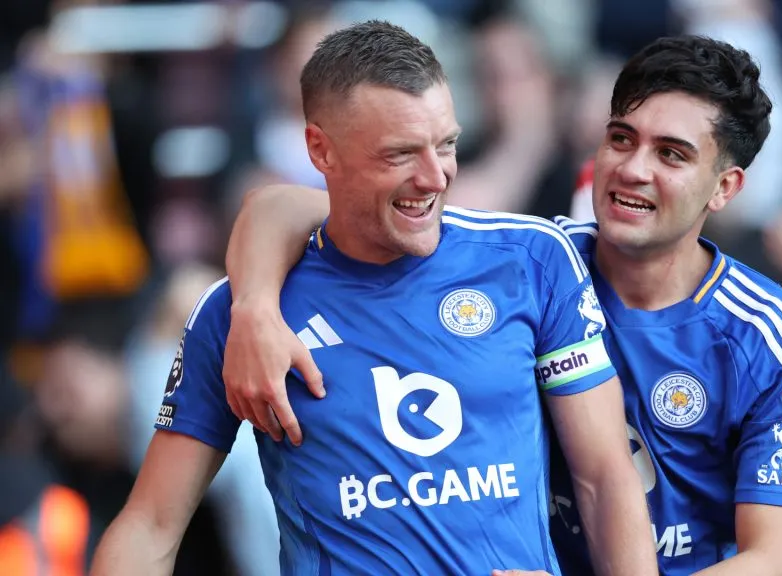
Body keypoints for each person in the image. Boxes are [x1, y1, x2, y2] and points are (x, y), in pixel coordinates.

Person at [223, 34, 782, 575]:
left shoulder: (772, 335)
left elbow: (774, 559)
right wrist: (253, 308)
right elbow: (289, 206)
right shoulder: (528, 263)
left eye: (671, 154)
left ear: (725, 187)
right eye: (621, 139)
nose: (632, 170)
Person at [90, 21, 656, 576]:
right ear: (321, 151)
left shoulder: (531, 261)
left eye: (447, 144)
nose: (436, 177)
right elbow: (151, 527)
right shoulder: (240, 314)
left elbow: (606, 478)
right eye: (400, 154)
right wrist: (254, 308)